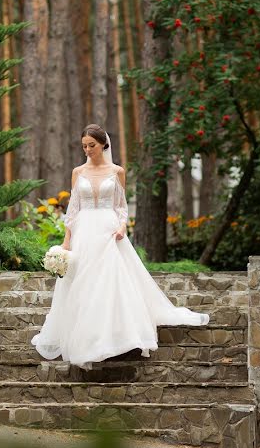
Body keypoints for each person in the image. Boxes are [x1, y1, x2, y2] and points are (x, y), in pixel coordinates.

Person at [31, 124, 210, 368]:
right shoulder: (77, 172)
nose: (87, 150)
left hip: (108, 231)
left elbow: (121, 206)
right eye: (84, 146)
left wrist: (122, 226)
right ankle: (88, 337)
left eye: (91, 146)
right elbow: (73, 210)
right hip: (84, 232)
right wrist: (66, 242)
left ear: (103, 144)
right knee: (83, 282)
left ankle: (115, 337)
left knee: (110, 281)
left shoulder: (117, 171)